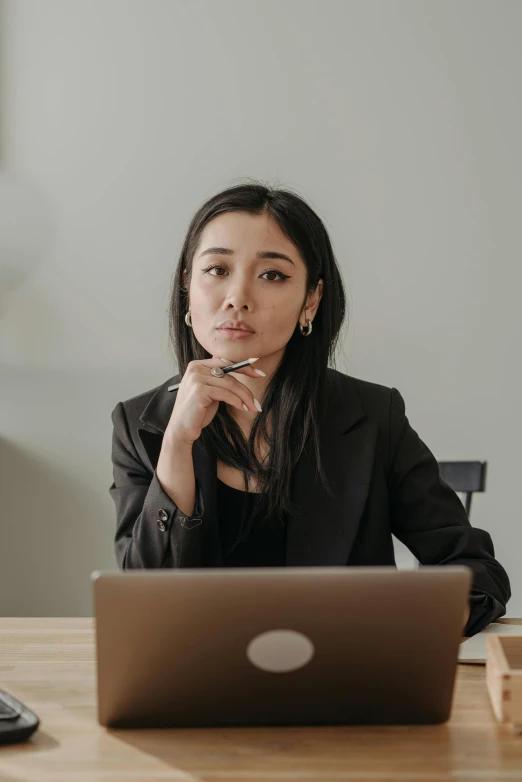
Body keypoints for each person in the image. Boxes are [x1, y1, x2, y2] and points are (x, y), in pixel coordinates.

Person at [109, 181, 510, 639]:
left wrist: (414, 626)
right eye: (217, 269)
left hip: (344, 686)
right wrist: (178, 444)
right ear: (187, 287)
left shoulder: (373, 415)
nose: (237, 297)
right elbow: (143, 604)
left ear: (312, 301)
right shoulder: (139, 424)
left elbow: (476, 571)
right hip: (192, 693)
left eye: (272, 275)